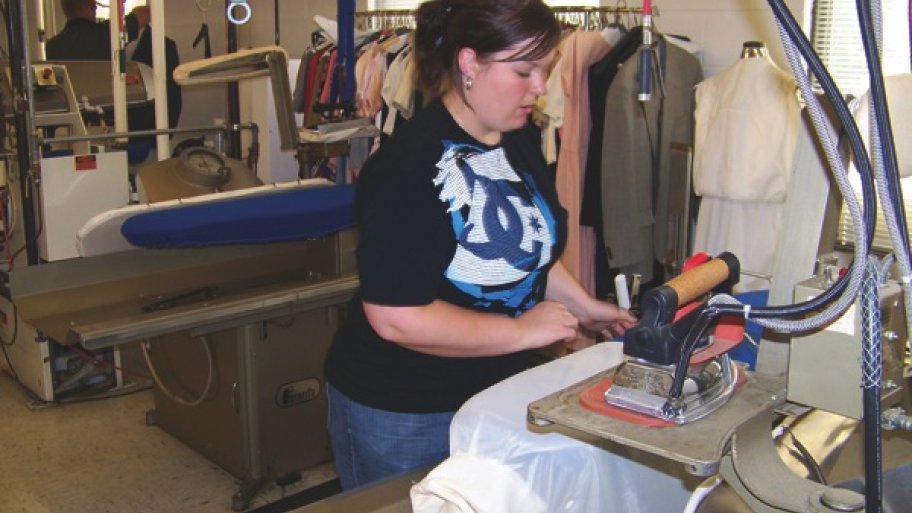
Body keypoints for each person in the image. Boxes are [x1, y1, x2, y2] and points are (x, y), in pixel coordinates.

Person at [324, 0, 637, 491]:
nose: (540, 87)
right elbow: (395, 317)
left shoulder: (517, 138)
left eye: (546, 69)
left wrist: (584, 306)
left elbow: (530, 250)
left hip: (499, 394)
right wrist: (521, 330)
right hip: (405, 408)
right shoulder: (407, 168)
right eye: (524, 71)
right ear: (470, 63)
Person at [45, 0, 110, 60]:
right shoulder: (107, 33)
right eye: (95, 4)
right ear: (90, 7)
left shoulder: (52, 46)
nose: (96, 7)